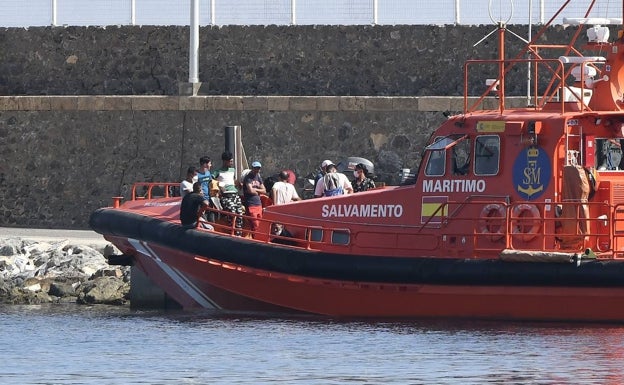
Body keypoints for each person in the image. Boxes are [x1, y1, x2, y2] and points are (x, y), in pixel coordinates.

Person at [213, 151, 244, 235]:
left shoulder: (232, 170)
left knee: (240, 213)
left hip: (235, 194)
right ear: (225, 161)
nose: (231, 163)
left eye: (232, 161)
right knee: (232, 212)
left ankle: (239, 233)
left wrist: (238, 183)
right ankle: (232, 232)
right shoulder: (218, 171)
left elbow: (233, 179)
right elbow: (212, 180)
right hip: (226, 195)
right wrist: (218, 187)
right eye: (230, 161)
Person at [243, 161, 267, 233]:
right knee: (255, 224)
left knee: (260, 223)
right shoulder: (248, 178)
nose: (257, 170)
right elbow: (250, 190)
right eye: (256, 168)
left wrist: (256, 190)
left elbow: (264, 190)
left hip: (258, 204)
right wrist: (258, 191)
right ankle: (256, 239)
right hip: (251, 204)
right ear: (252, 168)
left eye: (258, 168)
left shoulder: (258, 177)